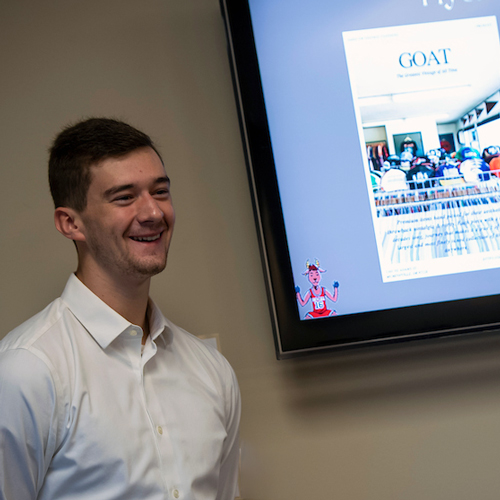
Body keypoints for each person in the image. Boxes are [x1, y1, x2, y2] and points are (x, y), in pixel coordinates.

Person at [0, 118, 241, 500]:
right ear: (70, 223)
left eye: (160, 192)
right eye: (124, 197)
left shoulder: (211, 371)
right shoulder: (26, 371)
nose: (153, 213)